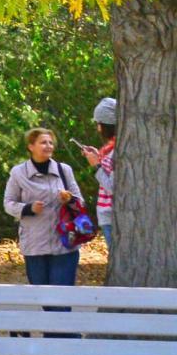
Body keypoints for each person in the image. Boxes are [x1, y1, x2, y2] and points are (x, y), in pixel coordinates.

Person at [4, 127, 83, 291]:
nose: (48, 146)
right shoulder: (18, 173)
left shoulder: (64, 170)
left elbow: (80, 201)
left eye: (50, 143)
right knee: (42, 296)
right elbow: (8, 203)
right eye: (43, 142)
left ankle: (61, 318)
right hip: (34, 245)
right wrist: (28, 208)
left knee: (62, 296)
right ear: (31, 146)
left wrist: (69, 199)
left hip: (64, 244)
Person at [80, 98, 116, 246]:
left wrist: (96, 165)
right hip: (109, 216)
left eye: (99, 124)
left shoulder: (119, 151)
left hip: (112, 216)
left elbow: (113, 187)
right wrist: (98, 156)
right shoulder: (111, 150)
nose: (98, 129)